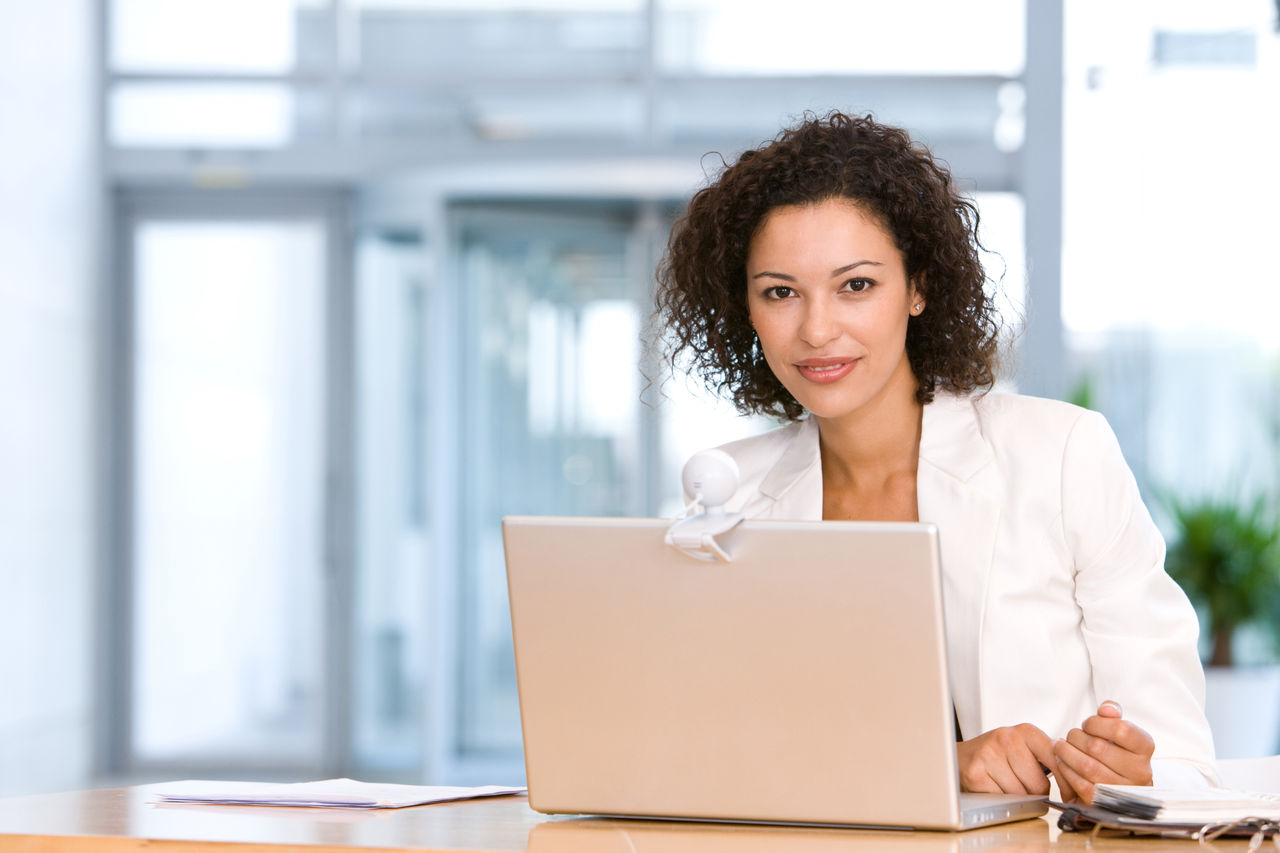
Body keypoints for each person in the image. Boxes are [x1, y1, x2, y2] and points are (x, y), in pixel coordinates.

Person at [652, 111, 1217, 803]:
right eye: (780, 292)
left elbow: (1185, 762)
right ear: (746, 306)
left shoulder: (1063, 456)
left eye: (855, 284)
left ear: (918, 286)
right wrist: (947, 763)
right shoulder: (729, 493)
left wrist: (1131, 775)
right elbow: (717, 761)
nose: (817, 328)